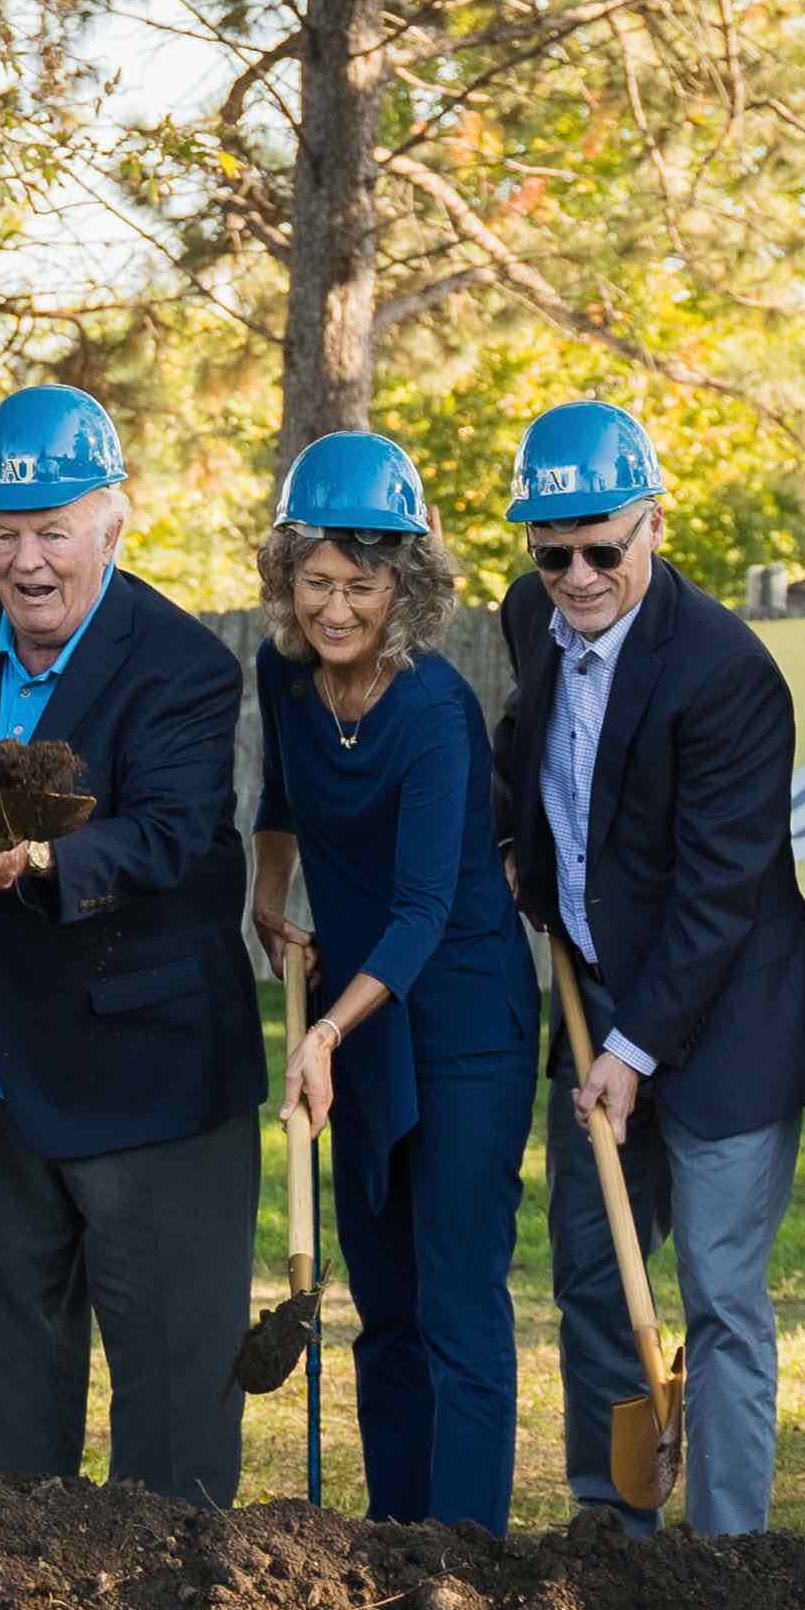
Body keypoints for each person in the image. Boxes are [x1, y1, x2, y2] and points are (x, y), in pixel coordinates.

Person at [0, 383, 264, 1504]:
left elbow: (171, 834)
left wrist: (36, 863)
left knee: (175, 1407)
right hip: (1, 1073)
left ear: (113, 522)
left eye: (53, 531)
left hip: (153, 1080)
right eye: (6, 532)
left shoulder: (183, 665)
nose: (27, 561)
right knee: (2, 1399)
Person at [488, 398, 805, 1537]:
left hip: (727, 1023)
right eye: (554, 552)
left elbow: (720, 891)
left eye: (603, 547)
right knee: (592, 1271)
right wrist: (514, 845)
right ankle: (613, 1513)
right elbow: (525, 756)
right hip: (596, 1000)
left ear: (652, 524)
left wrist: (635, 1053)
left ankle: (728, 1553)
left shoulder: (724, 674)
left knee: (721, 1298)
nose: (578, 575)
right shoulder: (527, 619)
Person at [251, 431, 533, 1533]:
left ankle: (465, 1563)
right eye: (314, 581)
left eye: (360, 585)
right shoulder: (285, 674)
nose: (334, 608)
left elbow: (422, 910)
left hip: (461, 1019)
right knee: (383, 1308)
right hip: (359, 1021)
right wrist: (266, 887)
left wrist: (322, 1034)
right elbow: (279, 793)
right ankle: (393, 1545)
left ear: (402, 586)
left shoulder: (434, 711)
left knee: (456, 1303)